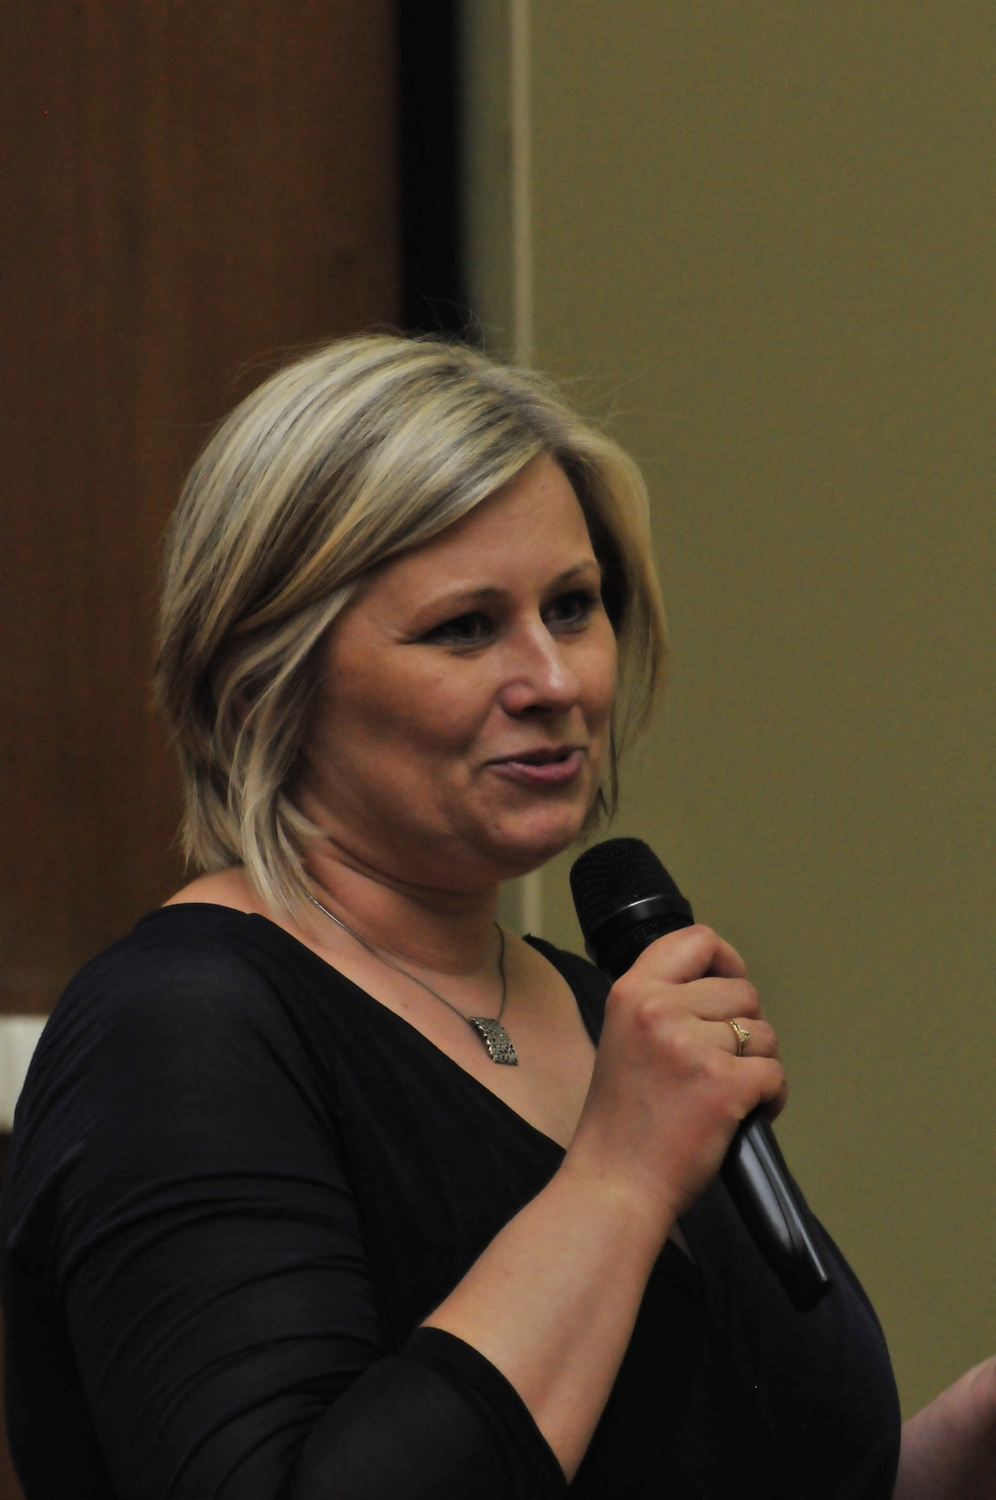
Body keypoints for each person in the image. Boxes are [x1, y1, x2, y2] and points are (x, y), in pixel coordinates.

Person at [0, 334, 985, 1498]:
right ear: (267, 681)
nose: (556, 681)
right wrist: (617, 1183)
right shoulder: (176, 1031)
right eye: (466, 627)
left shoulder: (603, 1010)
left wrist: (964, 1446)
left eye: (572, 607)